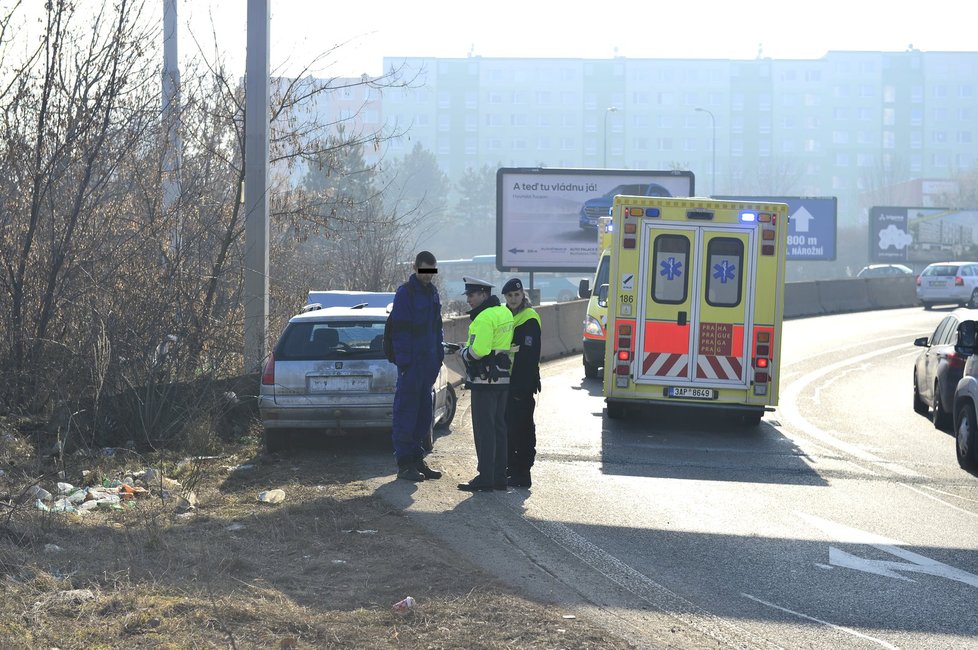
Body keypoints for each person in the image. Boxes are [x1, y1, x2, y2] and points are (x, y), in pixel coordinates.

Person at [389, 251, 444, 482]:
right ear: (415, 267)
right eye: (424, 270)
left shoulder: (432, 293)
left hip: (428, 364)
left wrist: (438, 357)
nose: (428, 276)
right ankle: (404, 464)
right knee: (406, 414)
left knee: (423, 416)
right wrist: (405, 363)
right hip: (412, 366)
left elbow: (437, 328)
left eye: (431, 271)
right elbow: (399, 331)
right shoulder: (405, 293)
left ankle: (417, 459)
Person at [457, 276, 514, 492]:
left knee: (484, 430)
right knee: (499, 427)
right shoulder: (504, 312)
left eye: (471, 295)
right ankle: (499, 477)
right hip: (502, 379)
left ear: (483, 294)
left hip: (484, 381)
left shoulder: (482, 318)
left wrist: (463, 352)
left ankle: (485, 478)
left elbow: (478, 351)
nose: (469, 300)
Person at [501, 278, 541, 488]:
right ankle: (511, 468)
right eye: (510, 296)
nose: (514, 299)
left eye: (517, 295)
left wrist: (521, 387)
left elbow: (529, 357)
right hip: (507, 381)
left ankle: (523, 472)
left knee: (522, 429)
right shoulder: (505, 315)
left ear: (522, 295)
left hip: (521, 384)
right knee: (509, 428)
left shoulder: (529, 319)